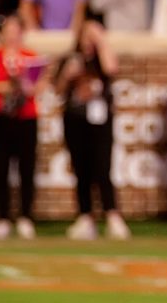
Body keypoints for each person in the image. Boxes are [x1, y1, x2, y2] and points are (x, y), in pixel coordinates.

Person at [55, 19, 131, 241]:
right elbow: (58, 90)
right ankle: (85, 216)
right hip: (75, 120)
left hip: (100, 121)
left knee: (103, 167)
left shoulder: (101, 59)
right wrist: (67, 75)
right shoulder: (70, 59)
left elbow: (111, 69)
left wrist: (101, 40)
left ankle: (112, 214)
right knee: (81, 170)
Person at [0, 14, 42, 240]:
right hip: (0, 118)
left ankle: (25, 216)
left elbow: (38, 87)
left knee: (27, 169)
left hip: (26, 118)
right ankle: (2, 217)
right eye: (8, 30)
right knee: (1, 169)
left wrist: (25, 85)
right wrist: (6, 85)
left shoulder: (31, 57)